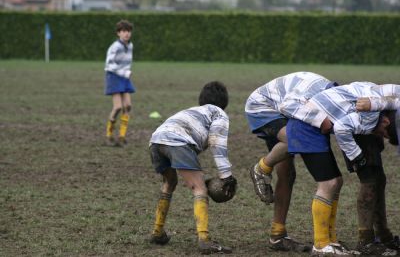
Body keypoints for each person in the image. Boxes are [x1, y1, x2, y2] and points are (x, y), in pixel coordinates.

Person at [278, 82, 400, 256]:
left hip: (321, 118)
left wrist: (376, 104)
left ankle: (334, 241)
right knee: (334, 182)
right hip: (312, 125)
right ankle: (327, 244)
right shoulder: (368, 118)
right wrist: (356, 155)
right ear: (386, 121)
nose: (382, 137)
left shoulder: (378, 102)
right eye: (384, 133)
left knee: (346, 181)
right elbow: (343, 128)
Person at [245, 71, 336, 252]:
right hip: (263, 108)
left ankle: (277, 235)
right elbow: (289, 105)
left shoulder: (327, 95)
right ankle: (261, 168)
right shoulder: (316, 89)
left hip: (282, 111)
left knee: (287, 174)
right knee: (298, 138)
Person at [148, 81, 237, 255]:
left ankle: (157, 232)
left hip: (156, 140)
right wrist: (226, 176)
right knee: (199, 188)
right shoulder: (219, 114)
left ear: (201, 99)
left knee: (169, 182)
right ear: (224, 103)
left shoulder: (192, 110)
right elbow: (217, 144)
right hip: (178, 141)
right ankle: (204, 240)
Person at [104, 20, 135, 146]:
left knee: (127, 106)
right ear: (118, 33)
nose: (126, 33)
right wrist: (124, 72)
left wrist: (126, 72)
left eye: (128, 31)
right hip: (114, 76)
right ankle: (109, 134)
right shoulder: (115, 47)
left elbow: (127, 62)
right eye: (123, 31)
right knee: (117, 107)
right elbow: (109, 64)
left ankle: (122, 136)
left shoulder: (130, 46)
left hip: (124, 77)